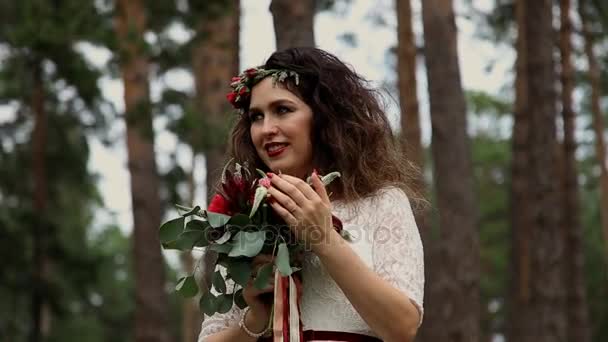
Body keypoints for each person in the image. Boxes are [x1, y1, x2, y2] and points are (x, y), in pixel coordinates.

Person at [198, 47, 424, 342]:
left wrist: (324, 239)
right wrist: (256, 318)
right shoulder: (243, 220)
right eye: (256, 116)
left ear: (324, 117)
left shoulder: (382, 203)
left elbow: (402, 328)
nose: (266, 129)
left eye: (282, 110)